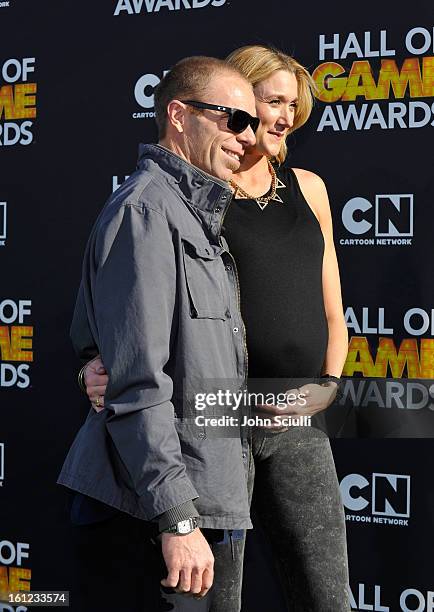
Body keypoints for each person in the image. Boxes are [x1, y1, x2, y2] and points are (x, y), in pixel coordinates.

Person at [83, 45, 351, 611]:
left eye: (291, 108)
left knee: (327, 593)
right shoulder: (184, 200)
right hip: (213, 418)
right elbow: (121, 314)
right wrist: (93, 360)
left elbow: (333, 312)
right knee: (213, 596)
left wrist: (326, 387)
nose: (277, 119)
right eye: (264, 104)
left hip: (296, 415)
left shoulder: (305, 188)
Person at [58, 55, 260, 612]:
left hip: (200, 501)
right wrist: (177, 517)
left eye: (255, 124)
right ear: (178, 114)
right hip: (151, 515)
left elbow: (98, 348)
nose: (249, 138)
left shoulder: (192, 216)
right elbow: (138, 378)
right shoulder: (147, 211)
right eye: (234, 120)